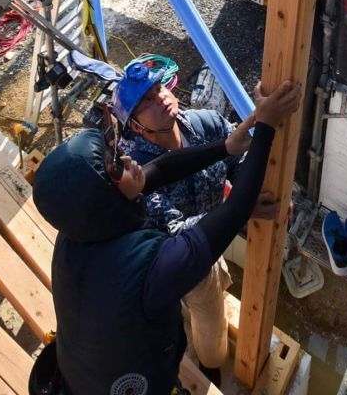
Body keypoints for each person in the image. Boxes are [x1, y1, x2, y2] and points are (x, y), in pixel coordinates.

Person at [31, 79, 301, 395]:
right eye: (116, 164)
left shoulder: (78, 230)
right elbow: (237, 208)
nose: (128, 159)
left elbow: (158, 170)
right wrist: (266, 125)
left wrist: (227, 146)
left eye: (115, 150)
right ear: (104, 197)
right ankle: (210, 367)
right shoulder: (150, 268)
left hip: (82, 374)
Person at [115, 62, 278, 385]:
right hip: (179, 263)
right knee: (209, 319)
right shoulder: (135, 174)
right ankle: (211, 366)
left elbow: (238, 159)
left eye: (158, 89)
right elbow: (176, 235)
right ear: (135, 126)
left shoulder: (205, 125)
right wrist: (241, 209)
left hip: (209, 239)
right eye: (146, 101)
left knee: (206, 305)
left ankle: (205, 355)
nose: (159, 97)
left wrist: (248, 191)